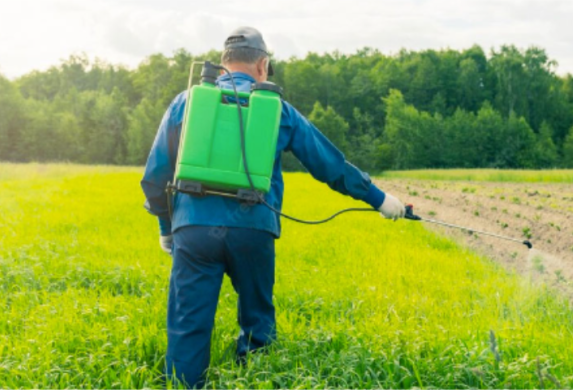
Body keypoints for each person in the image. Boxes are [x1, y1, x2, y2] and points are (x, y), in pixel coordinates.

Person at [140, 26, 406, 389]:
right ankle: (256, 381)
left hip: (194, 231)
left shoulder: (187, 101)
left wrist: (167, 229)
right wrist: (379, 199)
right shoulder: (277, 108)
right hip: (254, 230)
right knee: (257, 323)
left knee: (188, 326)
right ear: (263, 65)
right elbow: (329, 164)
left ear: (222, 66)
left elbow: (155, 176)